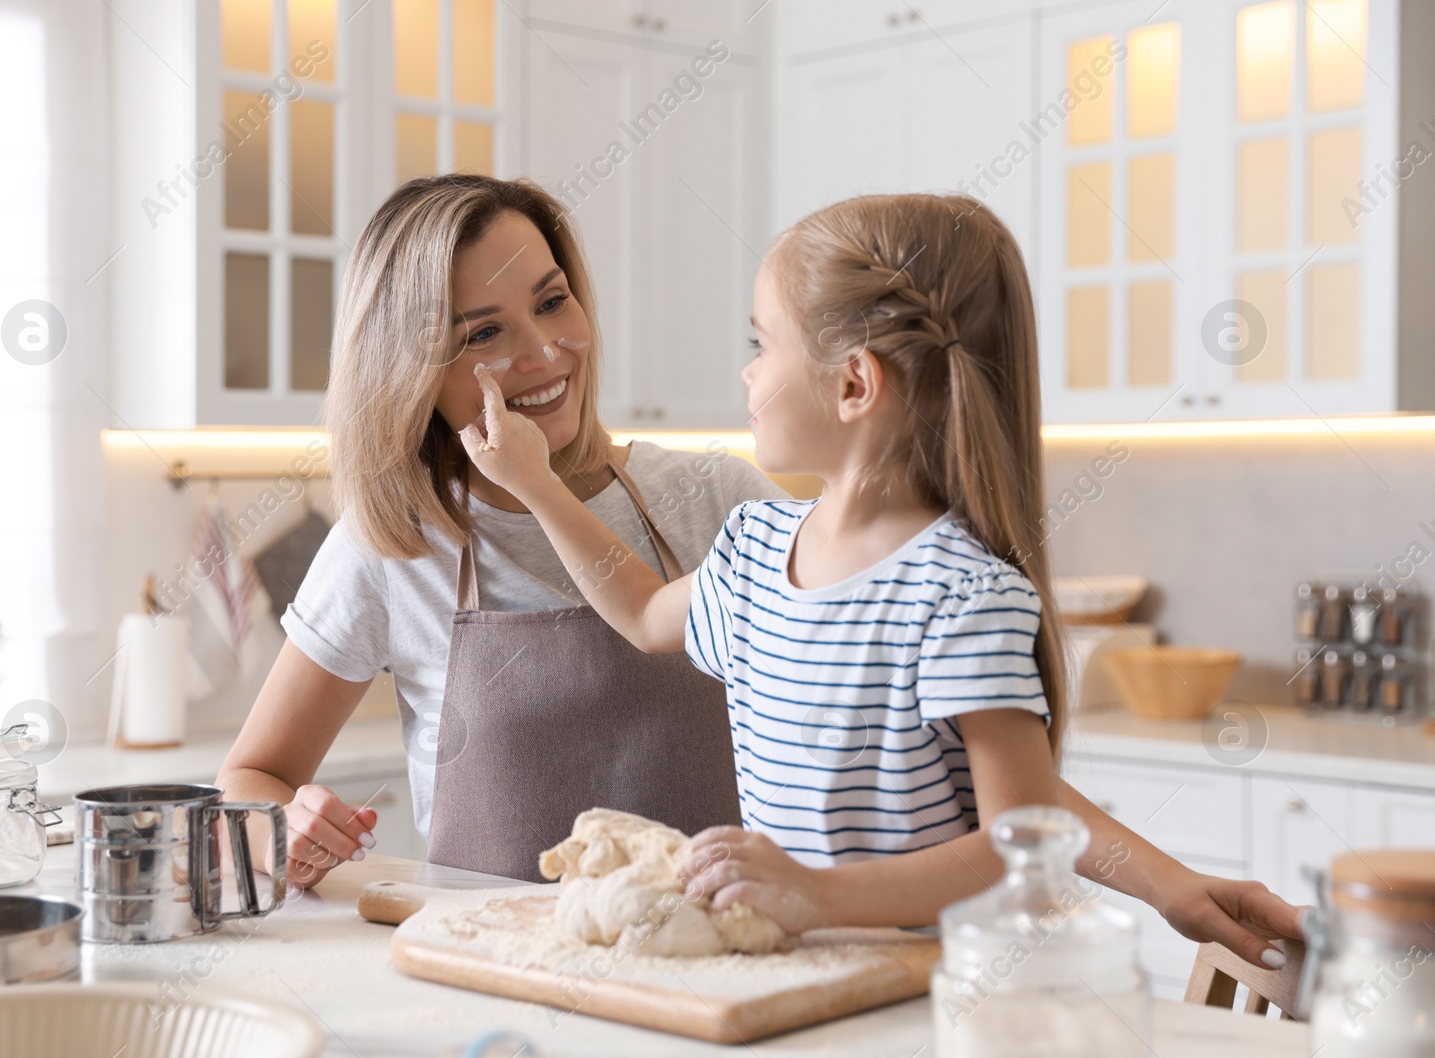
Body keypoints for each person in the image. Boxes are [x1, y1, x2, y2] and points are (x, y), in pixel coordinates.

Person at [218, 175, 1301, 970]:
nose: (545, 353)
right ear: (413, 364)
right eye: (483, 333)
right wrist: (287, 819)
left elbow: (985, 787)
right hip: (511, 972)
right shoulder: (390, 542)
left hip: (748, 973)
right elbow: (251, 774)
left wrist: (1162, 877)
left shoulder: (722, 507)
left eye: (554, 300)